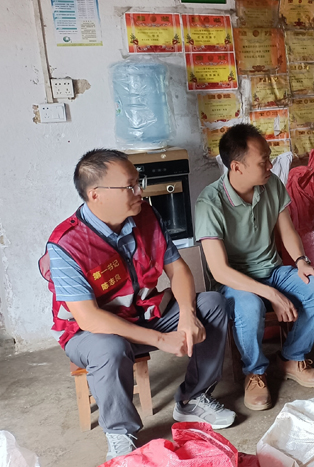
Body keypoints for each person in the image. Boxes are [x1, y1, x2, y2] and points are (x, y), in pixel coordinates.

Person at [39, 149, 235, 461]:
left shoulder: (146, 216)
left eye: (137, 182)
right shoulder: (66, 244)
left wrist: (186, 316)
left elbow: (179, 270)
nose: (139, 191)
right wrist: (160, 339)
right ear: (96, 194)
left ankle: (193, 399)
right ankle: (121, 434)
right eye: (129, 186)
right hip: (90, 333)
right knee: (109, 348)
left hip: (142, 312)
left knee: (211, 304)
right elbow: (89, 319)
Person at [196, 124, 314, 411]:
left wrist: (302, 262)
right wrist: (271, 294)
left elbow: (288, 230)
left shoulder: (271, 184)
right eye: (263, 161)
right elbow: (220, 271)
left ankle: (292, 357)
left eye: (269, 158)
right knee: (249, 305)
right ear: (237, 167)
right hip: (234, 281)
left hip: (272, 271)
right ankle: (255, 372)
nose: (270, 166)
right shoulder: (210, 202)